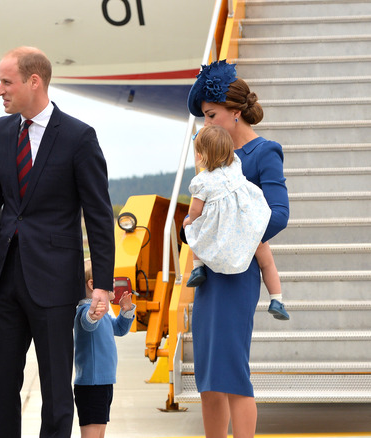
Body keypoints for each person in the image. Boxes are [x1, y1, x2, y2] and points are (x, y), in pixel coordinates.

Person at [0, 46, 117, 437]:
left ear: (33, 82)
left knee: (57, 389)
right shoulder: (0, 130)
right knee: (2, 385)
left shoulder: (78, 137)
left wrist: (103, 284)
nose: (0, 91)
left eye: (7, 82)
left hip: (54, 282)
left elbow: (99, 215)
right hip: (4, 279)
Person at [186, 59, 290, 438]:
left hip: (240, 271)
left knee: (232, 369)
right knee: (209, 373)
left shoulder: (265, 152)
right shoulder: (213, 158)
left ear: (234, 112)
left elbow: (279, 214)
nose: (207, 124)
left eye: (211, 115)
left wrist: (239, 239)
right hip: (211, 275)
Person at [183, 126, 282, 324]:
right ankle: (277, 299)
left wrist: (188, 221)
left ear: (200, 156)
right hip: (249, 224)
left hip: (224, 232)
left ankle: (198, 267)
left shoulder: (201, 181)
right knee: (267, 262)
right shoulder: (236, 165)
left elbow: (195, 211)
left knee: (194, 230)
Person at [73, 260, 135, 438]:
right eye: (110, 280)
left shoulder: (105, 314)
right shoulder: (85, 310)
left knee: (99, 432)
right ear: (92, 285)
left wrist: (126, 310)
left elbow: (120, 329)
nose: (114, 283)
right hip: (92, 383)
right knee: (92, 432)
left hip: (103, 382)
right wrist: (93, 315)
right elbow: (88, 322)